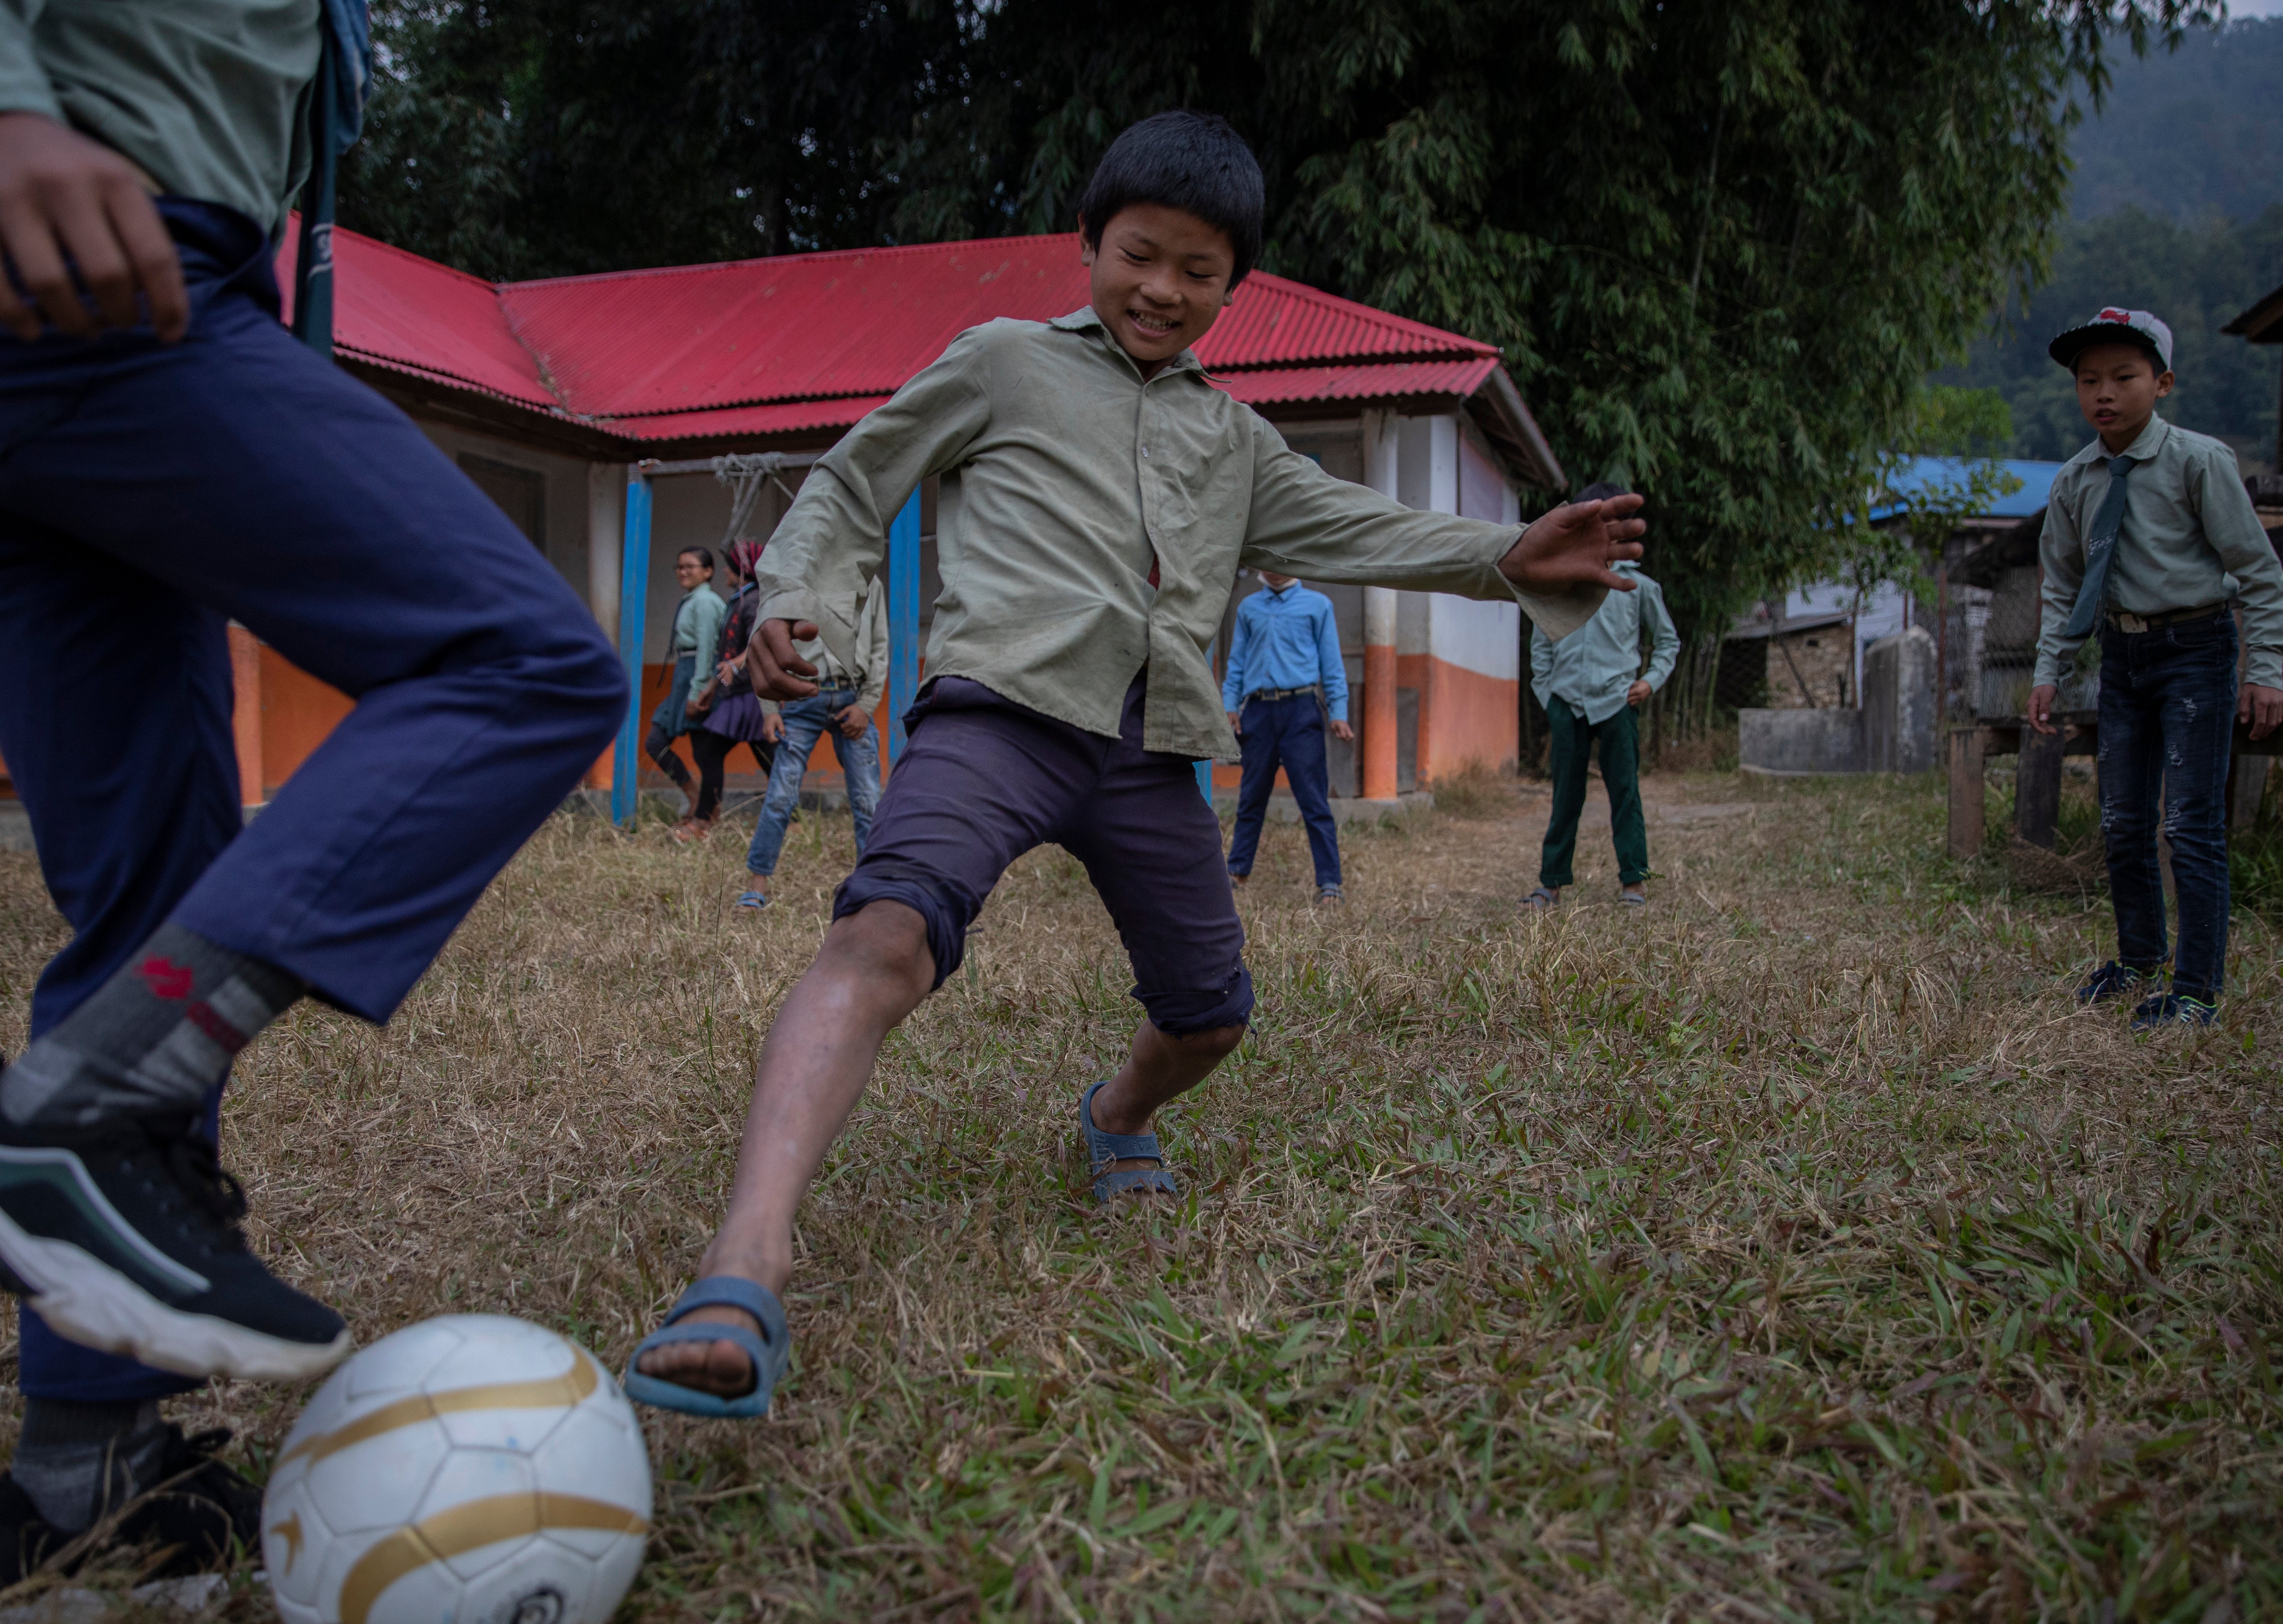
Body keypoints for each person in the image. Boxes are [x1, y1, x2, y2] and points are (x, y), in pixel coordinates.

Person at [621, 110, 1645, 1420]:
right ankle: (740, 1266)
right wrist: (798, 599)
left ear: (1233, 287)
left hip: (1153, 747)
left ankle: (1112, 1114)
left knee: (1211, 1013)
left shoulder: (1237, 443)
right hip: (995, 711)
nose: (1161, 288)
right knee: (883, 936)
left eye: (1197, 271)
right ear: (1092, 245)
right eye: (1138, 254)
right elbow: (853, 480)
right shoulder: (1000, 364)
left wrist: (1501, 559)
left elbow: (1356, 520)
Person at [0, 0, 624, 1573]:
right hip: (100, 262)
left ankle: (86, 1483)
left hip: (115, 280)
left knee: (156, 894)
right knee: (526, 664)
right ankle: (82, 1123)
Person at [2029, 307, 2283, 1029]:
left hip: (2196, 651)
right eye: (2088, 380)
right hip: (2123, 657)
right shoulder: (2076, 480)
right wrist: (2049, 670)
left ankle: (2197, 987)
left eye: (2123, 376)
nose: (2103, 393)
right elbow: (2059, 583)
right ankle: (2140, 957)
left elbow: (2260, 575)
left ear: (2163, 382)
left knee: (2190, 823)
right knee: (2122, 817)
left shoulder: (2199, 462)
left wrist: (2267, 669)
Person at [1523, 482, 1678, 912]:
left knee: (1624, 793)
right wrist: (1547, 696)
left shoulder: (1638, 587)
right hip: (1566, 703)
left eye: (1611, 525)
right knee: (1565, 795)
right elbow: (1541, 645)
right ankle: (1550, 885)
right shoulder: (1559, 582)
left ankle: (1634, 884)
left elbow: (1667, 641)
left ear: (1623, 531)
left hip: (1617, 701)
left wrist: (1650, 680)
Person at [735, 574, 886, 911]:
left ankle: (872, 889)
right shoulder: (788, 579)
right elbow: (767, 644)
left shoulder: (868, 581)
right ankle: (757, 885)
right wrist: (769, 708)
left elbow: (879, 646)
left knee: (868, 799)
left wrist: (866, 706)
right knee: (781, 794)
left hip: (853, 697)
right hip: (802, 699)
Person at [1221, 570, 1352, 902]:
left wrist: (1338, 713)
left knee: (1313, 799)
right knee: (1251, 796)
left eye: (1282, 562)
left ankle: (1329, 882)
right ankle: (1237, 871)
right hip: (1259, 712)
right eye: (1268, 562)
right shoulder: (1249, 608)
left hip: (1301, 710)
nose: (1275, 569)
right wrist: (1230, 704)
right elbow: (1236, 662)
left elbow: (1331, 664)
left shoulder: (1318, 606)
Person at [692, 536, 779, 833]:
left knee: (712, 753)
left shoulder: (753, 602)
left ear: (741, 570)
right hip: (737, 691)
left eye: (730, 567)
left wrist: (731, 668)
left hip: (749, 692)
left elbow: (757, 642)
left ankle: (704, 819)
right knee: (768, 757)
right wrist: (713, 687)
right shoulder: (741, 599)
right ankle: (790, 819)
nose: (725, 572)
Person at [644, 546, 727, 835]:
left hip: (697, 675)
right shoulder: (693, 600)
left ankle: (706, 814)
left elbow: (707, 648)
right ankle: (694, 798)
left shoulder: (705, 602)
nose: (683, 572)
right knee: (656, 741)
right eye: (679, 567)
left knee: (706, 753)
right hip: (684, 675)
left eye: (691, 566)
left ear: (708, 572)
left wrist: (699, 691)